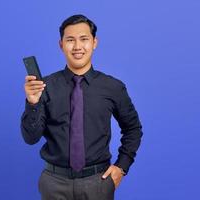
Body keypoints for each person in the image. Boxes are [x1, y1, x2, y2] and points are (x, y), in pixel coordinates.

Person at [21, 14, 143, 200]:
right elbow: (30, 138)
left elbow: (133, 129)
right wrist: (32, 103)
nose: (77, 46)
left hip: (98, 182)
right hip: (54, 183)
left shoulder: (113, 87)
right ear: (61, 44)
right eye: (70, 40)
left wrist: (122, 167)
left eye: (84, 39)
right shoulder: (44, 87)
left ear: (94, 42)